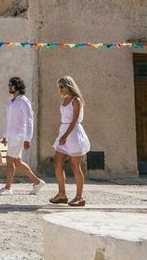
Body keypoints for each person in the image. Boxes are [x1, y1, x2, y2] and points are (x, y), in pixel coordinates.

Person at [0, 77, 45, 196]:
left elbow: (29, 121)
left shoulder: (24, 101)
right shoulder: (11, 101)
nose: (9, 86)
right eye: (8, 84)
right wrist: (5, 136)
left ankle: (8, 188)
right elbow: (8, 120)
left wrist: (28, 138)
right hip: (12, 135)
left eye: (11, 85)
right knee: (17, 162)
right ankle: (37, 182)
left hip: (19, 135)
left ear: (17, 86)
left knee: (9, 161)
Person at [49, 76, 90, 207]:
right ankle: (62, 194)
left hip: (73, 134)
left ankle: (79, 197)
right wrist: (62, 134)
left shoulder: (76, 100)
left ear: (68, 86)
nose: (60, 89)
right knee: (57, 162)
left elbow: (74, 120)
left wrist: (65, 135)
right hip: (64, 131)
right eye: (59, 87)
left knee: (75, 166)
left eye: (62, 86)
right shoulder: (65, 100)